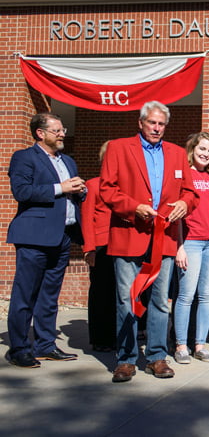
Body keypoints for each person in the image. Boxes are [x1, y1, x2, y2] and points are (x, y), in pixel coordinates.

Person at [101, 101, 198, 383]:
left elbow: (191, 193)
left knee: (159, 301)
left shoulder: (177, 153)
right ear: (141, 123)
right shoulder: (119, 148)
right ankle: (126, 359)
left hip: (164, 238)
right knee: (126, 299)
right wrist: (134, 208)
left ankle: (157, 357)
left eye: (161, 124)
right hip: (129, 234)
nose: (157, 128)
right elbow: (107, 189)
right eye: (152, 123)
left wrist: (184, 202)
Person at [5, 112, 85, 368]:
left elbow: (71, 194)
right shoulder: (24, 157)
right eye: (57, 130)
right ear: (40, 133)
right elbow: (22, 191)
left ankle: (45, 345)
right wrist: (60, 188)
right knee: (25, 295)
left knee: (50, 296)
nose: (63, 134)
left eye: (62, 130)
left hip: (62, 237)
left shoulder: (68, 161)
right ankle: (19, 348)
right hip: (33, 238)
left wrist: (80, 191)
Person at [173, 133, 209, 364]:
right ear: (192, 149)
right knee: (186, 295)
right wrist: (179, 247)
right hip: (191, 242)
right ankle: (180, 345)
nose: (206, 154)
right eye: (202, 149)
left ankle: (199, 344)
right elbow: (176, 215)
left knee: (206, 295)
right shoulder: (182, 175)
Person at [82, 141, 116, 352]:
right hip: (102, 246)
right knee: (101, 292)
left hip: (124, 245)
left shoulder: (125, 186)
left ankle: (119, 335)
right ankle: (101, 338)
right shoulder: (93, 185)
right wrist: (89, 249)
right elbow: (86, 219)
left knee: (121, 293)